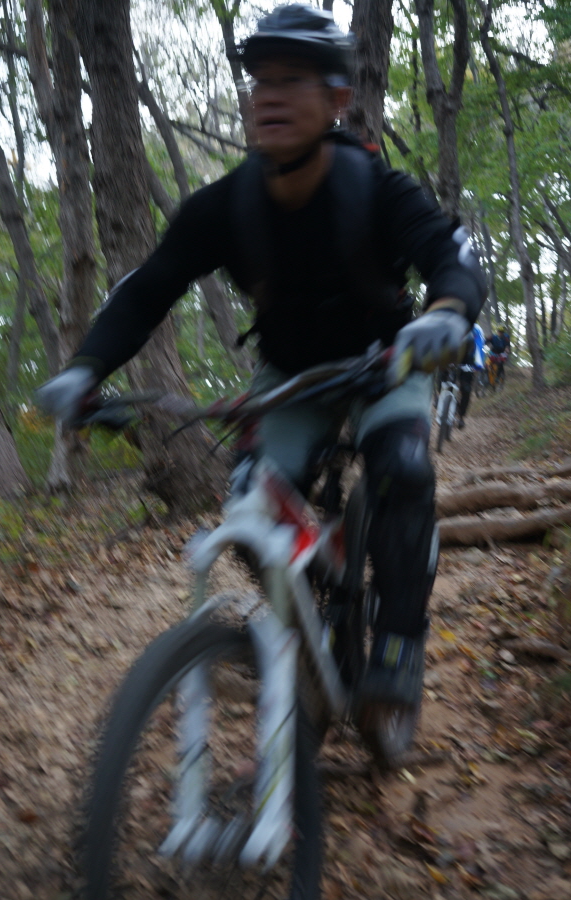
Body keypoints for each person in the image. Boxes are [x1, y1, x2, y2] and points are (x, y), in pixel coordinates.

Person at [37, 5, 485, 706]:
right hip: (291, 378)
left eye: (293, 79)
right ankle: (314, 614)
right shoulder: (224, 207)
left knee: (403, 470)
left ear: (338, 99)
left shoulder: (377, 189)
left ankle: (399, 639)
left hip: (385, 364)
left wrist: (447, 312)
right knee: (248, 512)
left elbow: (450, 257)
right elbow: (147, 291)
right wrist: (84, 369)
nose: (269, 95)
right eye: (261, 80)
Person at [456, 322, 485, 429]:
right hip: (451, 356)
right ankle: (440, 397)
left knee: (466, 390)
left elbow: (480, 346)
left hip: (468, 360)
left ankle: (461, 416)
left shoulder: (476, 329)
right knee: (443, 377)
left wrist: (478, 365)